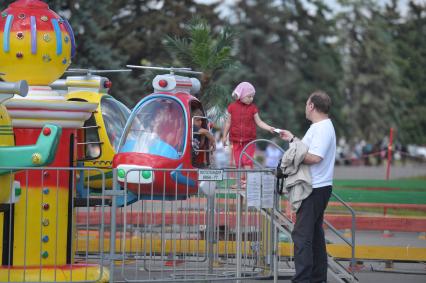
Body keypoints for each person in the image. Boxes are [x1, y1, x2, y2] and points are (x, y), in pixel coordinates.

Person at [278, 90, 336, 283]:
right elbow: (307, 149)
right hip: (318, 187)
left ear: (311, 106)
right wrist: (293, 140)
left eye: (306, 104)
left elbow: (314, 157)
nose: (305, 107)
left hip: (314, 188)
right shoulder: (319, 126)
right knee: (315, 236)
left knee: (302, 236)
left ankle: (303, 279)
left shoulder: (322, 128)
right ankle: (318, 278)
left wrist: (292, 155)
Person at [222, 82, 275, 172]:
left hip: (249, 140)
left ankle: (246, 181)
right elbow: (228, 123)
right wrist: (224, 137)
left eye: (252, 96)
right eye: (249, 96)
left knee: (247, 161)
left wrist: (269, 127)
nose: (251, 99)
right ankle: (239, 182)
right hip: (236, 140)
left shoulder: (253, 108)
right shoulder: (232, 107)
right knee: (238, 161)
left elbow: (259, 122)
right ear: (241, 95)